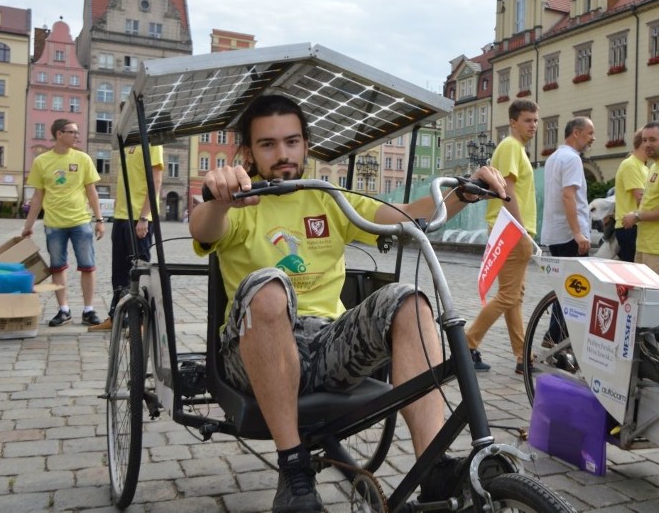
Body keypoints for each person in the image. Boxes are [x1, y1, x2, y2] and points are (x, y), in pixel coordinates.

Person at [189, 94, 507, 512]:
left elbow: (406, 215)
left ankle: (432, 467)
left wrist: (463, 192)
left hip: (326, 346)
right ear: (249, 152)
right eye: (268, 144)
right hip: (251, 352)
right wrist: (217, 198)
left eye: (292, 141)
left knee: (408, 301)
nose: (282, 154)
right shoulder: (240, 202)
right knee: (269, 284)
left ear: (305, 145)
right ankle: (294, 469)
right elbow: (204, 226)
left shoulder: (327, 197)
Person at [465, 100, 538, 375]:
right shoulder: (510, 146)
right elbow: (506, 190)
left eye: (536, 120)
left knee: (514, 296)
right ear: (513, 122)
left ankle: (522, 357)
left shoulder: (516, 148)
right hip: (511, 228)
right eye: (528, 120)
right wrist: (520, 229)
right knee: (509, 296)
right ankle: (467, 342)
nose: (533, 125)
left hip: (512, 228)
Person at [22, 119, 105, 327]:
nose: (77, 136)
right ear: (59, 134)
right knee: (58, 267)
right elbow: (38, 197)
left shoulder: (83, 158)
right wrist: (28, 226)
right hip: (54, 224)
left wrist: (99, 220)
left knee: (88, 266)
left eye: (77, 132)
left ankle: (88, 310)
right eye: (72, 132)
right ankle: (64, 309)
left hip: (80, 221)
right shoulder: (42, 161)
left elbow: (91, 192)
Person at [89, 144, 164, 332]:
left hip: (140, 217)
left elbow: (155, 180)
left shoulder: (152, 142)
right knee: (119, 272)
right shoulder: (129, 144)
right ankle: (117, 317)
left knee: (140, 271)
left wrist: (144, 216)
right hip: (122, 216)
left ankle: (140, 322)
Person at [620, 121, 659, 281]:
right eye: (644, 140)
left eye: (653, 140)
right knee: (641, 296)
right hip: (646, 243)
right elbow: (652, 203)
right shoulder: (655, 167)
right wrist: (636, 214)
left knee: (655, 298)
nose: (647, 144)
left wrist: (638, 216)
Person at [540, 116, 595, 257]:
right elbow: (568, 196)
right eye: (590, 133)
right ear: (576, 133)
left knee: (560, 279)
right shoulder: (572, 159)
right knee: (576, 278)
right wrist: (577, 233)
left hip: (555, 234)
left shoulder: (552, 158)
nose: (593, 138)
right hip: (570, 236)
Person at [613, 130, 648, 262]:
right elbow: (641, 198)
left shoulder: (644, 167)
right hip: (629, 226)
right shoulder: (630, 164)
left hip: (637, 224)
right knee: (632, 273)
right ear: (643, 143)